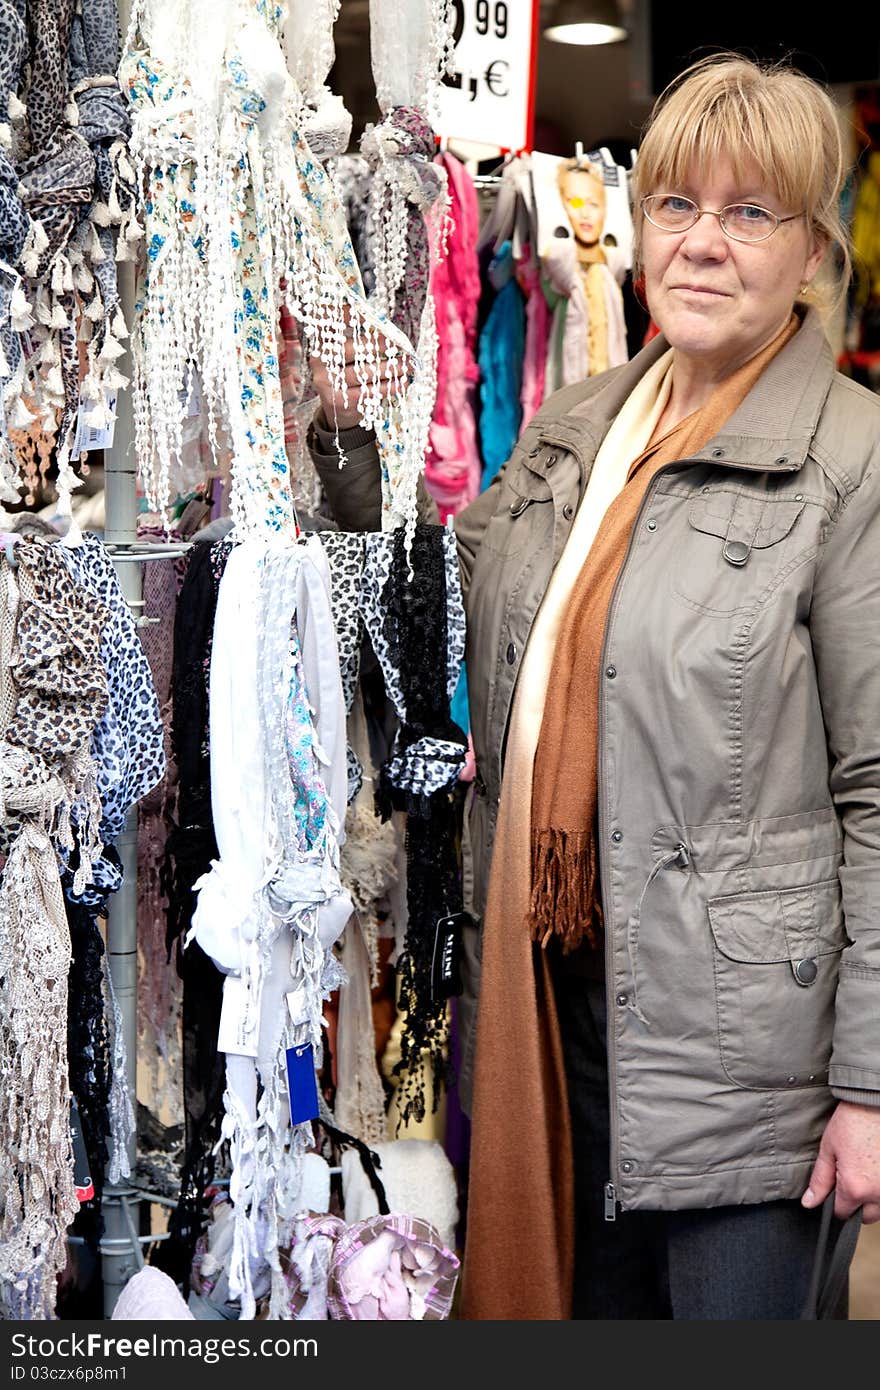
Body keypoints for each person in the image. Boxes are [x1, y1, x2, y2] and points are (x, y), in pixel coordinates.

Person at [308, 53, 880, 1320]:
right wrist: (349, 442)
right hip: (568, 1016)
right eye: (676, 206)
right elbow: (445, 603)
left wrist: (870, 1089)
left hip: (752, 1066)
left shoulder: (852, 462)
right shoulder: (581, 425)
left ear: (812, 247)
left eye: (749, 213)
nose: (701, 244)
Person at [541, 157, 629, 390]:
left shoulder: (613, 263)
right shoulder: (558, 262)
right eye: (575, 202)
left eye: (593, 204)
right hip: (566, 381)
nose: (585, 213)